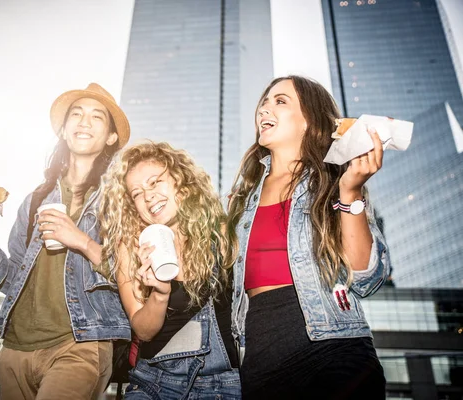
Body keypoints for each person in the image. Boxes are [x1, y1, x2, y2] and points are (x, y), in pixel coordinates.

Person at [0, 83, 132, 400]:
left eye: (97, 117)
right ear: (65, 131)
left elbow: (132, 274)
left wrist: (79, 239)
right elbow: (12, 281)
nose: (84, 121)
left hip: (81, 344)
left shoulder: (122, 200)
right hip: (15, 348)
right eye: (76, 114)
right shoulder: (35, 200)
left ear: (110, 137)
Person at [227, 76, 390, 399]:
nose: (264, 108)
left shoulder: (333, 183)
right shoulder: (240, 199)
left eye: (280, 101)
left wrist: (351, 191)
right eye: (264, 101)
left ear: (308, 122)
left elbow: (367, 278)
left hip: (333, 350)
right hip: (260, 358)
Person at [99, 141, 241, 399]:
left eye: (155, 182)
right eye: (137, 193)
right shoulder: (130, 247)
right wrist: (160, 293)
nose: (148, 196)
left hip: (221, 383)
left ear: (180, 182)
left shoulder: (220, 233)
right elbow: (143, 330)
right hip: (153, 382)